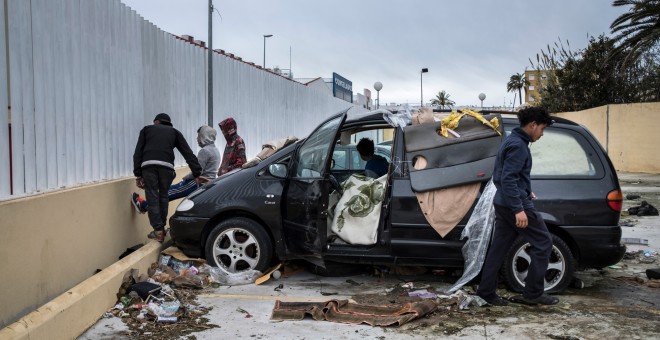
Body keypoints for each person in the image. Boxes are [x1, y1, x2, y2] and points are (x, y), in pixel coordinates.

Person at [477, 107, 558, 306]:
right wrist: (519, 209)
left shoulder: (512, 140)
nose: (542, 134)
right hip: (514, 204)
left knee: (499, 248)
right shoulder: (519, 146)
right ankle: (533, 293)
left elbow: (509, 176)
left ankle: (486, 292)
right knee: (544, 243)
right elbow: (508, 178)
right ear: (533, 125)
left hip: (504, 202)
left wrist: (525, 189)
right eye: (542, 129)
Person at [132, 113, 204, 242]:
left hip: (148, 167)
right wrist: (197, 173)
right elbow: (188, 153)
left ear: (156, 122)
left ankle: (158, 230)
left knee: (152, 196)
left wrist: (138, 174)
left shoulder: (146, 130)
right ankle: (162, 229)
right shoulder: (174, 132)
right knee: (163, 195)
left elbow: (137, 153)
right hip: (166, 168)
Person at [132, 125, 220, 213]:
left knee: (169, 192)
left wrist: (186, 177)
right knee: (168, 190)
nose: (197, 139)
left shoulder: (205, 151)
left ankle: (144, 205)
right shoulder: (215, 150)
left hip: (198, 183)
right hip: (208, 182)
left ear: (204, 136)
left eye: (198, 136)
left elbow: (198, 171)